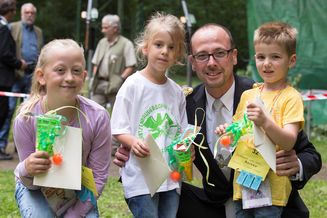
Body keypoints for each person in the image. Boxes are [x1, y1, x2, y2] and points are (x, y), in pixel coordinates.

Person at [114, 23, 322, 218]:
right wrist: (130, 147)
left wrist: (297, 164)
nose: (212, 63)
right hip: (215, 203)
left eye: (220, 53)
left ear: (233, 56)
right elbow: (155, 131)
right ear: (193, 63)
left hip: (269, 202)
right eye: (203, 56)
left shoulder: (258, 96)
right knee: (171, 192)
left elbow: (310, 153)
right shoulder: (185, 103)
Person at [13, 39, 111, 217]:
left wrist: (75, 214)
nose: (69, 77)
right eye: (60, 70)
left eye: (76, 71)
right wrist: (28, 167)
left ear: (84, 76)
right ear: (41, 76)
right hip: (36, 190)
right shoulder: (27, 119)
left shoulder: (97, 117)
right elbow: (30, 182)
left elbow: (97, 178)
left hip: (79, 189)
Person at [215, 22, 304, 217]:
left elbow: (289, 141)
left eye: (275, 57)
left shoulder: (292, 97)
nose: (267, 63)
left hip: (272, 189)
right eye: (261, 57)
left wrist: (265, 121)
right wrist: (227, 131)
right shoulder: (248, 95)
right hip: (243, 182)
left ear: (291, 60)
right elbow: (239, 130)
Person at [110, 12, 188, 218]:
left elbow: (181, 131)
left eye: (171, 47)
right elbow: (118, 127)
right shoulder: (132, 85)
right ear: (145, 47)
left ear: (178, 53)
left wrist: (185, 149)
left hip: (171, 177)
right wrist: (133, 141)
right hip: (140, 177)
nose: (164, 52)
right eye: (158, 45)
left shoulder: (176, 92)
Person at [0, 2, 43, 160]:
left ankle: (25, 146)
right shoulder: (11, 27)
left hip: (32, 77)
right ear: (21, 14)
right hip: (15, 76)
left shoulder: (38, 32)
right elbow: (6, 50)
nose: (30, 15)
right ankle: (2, 145)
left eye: (32, 13)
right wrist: (19, 65)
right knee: (9, 110)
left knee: (31, 112)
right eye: (27, 12)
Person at [90, 14, 136, 109]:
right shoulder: (101, 43)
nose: (103, 30)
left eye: (106, 28)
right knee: (93, 111)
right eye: (102, 27)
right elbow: (96, 63)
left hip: (117, 87)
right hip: (99, 84)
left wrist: (120, 80)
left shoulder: (126, 44)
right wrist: (94, 77)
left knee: (118, 115)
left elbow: (131, 66)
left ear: (115, 28)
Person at [0, 0, 26, 160]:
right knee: (2, 114)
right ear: (9, 11)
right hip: (3, 79)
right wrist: (20, 64)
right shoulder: (3, 29)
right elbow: (4, 53)